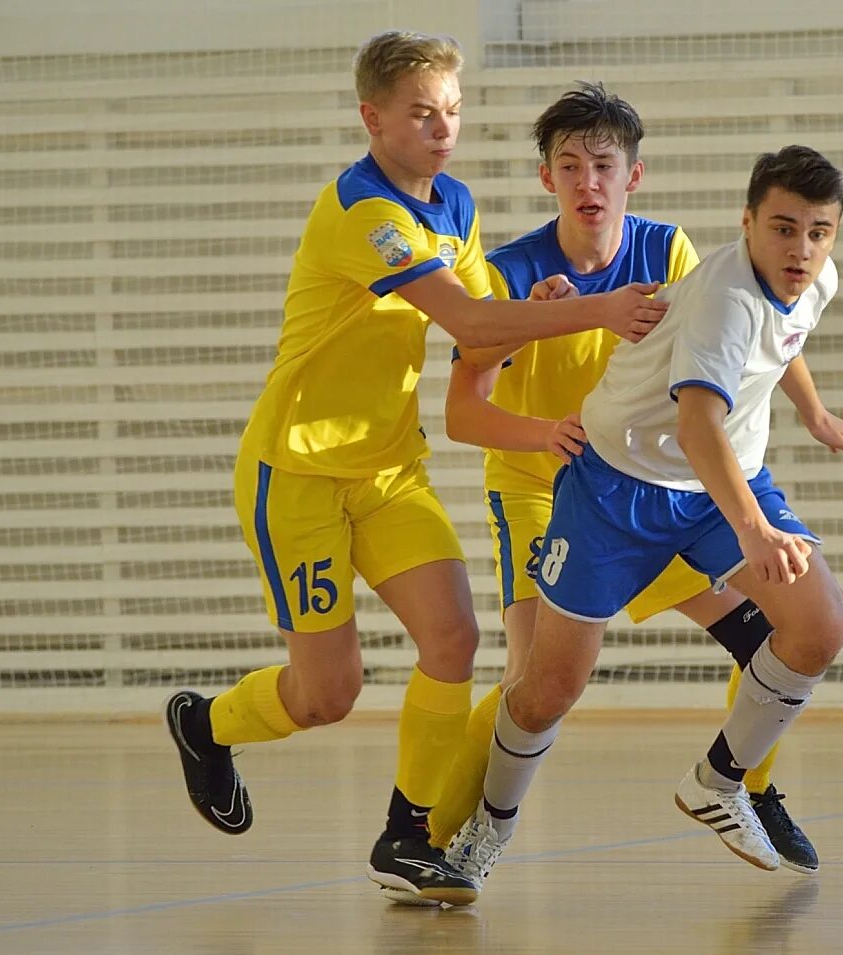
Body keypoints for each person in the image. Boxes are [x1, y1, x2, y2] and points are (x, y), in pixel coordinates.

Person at [161, 31, 666, 908]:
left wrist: (536, 304)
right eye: (423, 113)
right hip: (300, 472)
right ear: (374, 118)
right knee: (329, 693)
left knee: (455, 640)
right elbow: (466, 313)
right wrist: (588, 309)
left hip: (390, 468)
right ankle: (205, 723)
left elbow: (481, 328)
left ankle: (408, 833)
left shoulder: (456, 204)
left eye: (454, 112)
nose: (444, 129)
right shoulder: (367, 214)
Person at [450, 145, 843, 892]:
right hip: (617, 487)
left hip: (720, 483)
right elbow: (698, 425)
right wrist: (753, 529)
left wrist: (815, 411)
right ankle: (489, 823)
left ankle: (721, 780)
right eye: (782, 229)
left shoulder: (814, 279)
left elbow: (785, 343)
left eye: (817, 232)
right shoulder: (723, 296)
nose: (800, 249)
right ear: (746, 224)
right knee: (551, 683)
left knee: (818, 624)